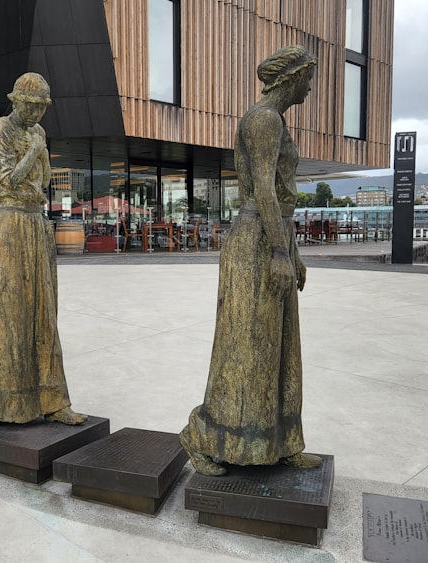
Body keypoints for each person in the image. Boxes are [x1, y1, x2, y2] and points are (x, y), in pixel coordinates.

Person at [180, 45, 322, 476]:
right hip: (255, 243)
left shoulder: (275, 121)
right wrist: (280, 251)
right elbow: (262, 187)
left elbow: (280, 198)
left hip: (273, 236)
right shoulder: (262, 119)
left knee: (278, 347)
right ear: (290, 79)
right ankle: (204, 437)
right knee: (246, 349)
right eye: (307, 78)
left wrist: (291, 250)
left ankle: (279, 441)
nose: (311, 87)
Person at [0, 72, 86, 427]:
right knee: (4, 313)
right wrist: (35, 151)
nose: (35, 115)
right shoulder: (0, 129)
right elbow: (7, 181)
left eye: (41, 109)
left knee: (43, 311)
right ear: (15, 101)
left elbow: (44, 180)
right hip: (9, 223)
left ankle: (52, 400)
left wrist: (39, 151)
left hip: (36, 223)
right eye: (30, 106)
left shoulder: (39, 133)